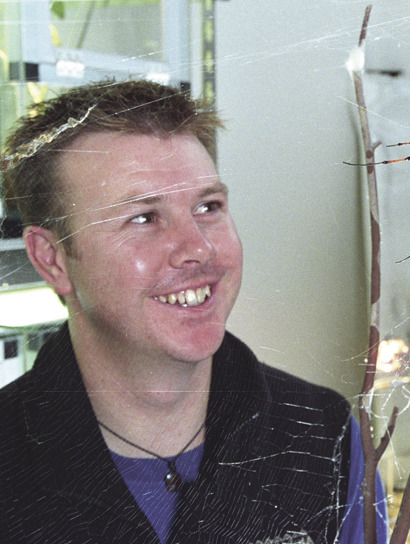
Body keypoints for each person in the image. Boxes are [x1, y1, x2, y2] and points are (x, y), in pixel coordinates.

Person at [0, 79, 387, 544]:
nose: (199, 249)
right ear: (53, 259)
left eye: (208, 206)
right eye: (144, 217)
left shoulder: (325, 436)